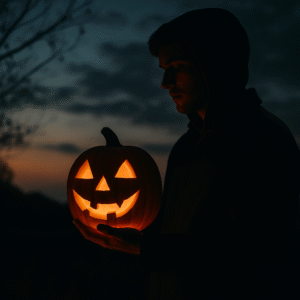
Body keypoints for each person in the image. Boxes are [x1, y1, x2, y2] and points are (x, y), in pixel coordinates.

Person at [73, 8, 300, 299]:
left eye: (178, 66)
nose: (165, 82)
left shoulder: (265, 141)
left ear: (215, 65)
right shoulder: (185, 147)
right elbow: (180, 235)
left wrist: (144, 248)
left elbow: (255, 258)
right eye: (164, 69)